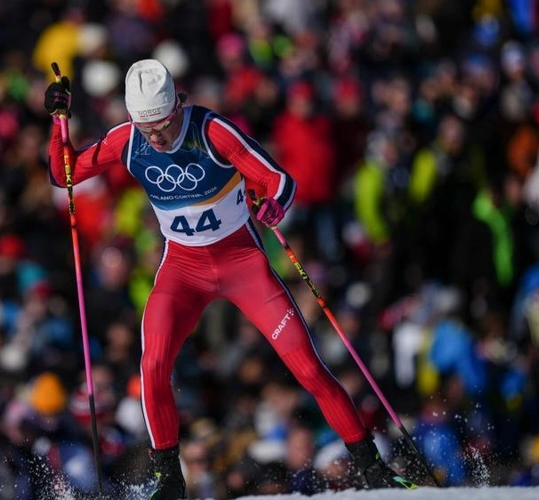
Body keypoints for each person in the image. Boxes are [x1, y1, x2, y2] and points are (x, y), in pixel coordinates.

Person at [44, 59, 417, 498]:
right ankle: (170, 479)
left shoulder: (211, 131)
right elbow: (64, 174)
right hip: (183, 270)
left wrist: (273, 206)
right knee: (152, 366)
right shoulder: (128, 140)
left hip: (242, 266)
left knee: (309, 369)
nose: (157, 138)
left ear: (177, 106)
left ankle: (372, 469)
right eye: (147, 129)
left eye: (163, 125)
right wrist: (57, 121)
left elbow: (278, 180)